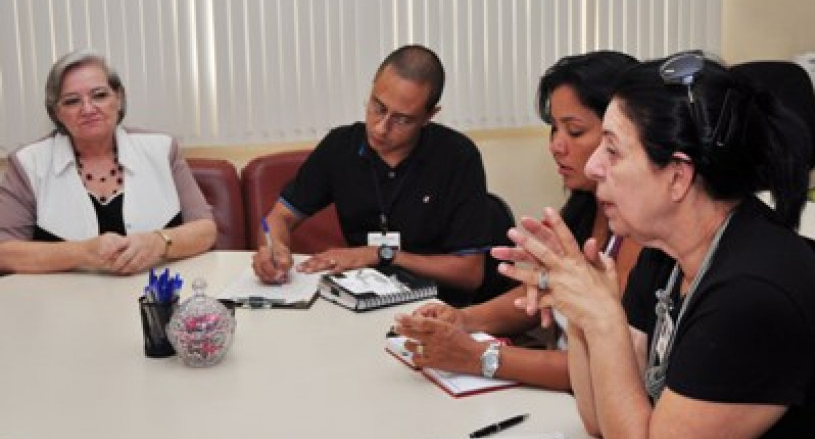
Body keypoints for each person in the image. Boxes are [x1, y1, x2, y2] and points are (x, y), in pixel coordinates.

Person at [496, 52, 815, 437]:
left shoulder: (750, 294)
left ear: (678, 176)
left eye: (613, 150)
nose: (593, 166)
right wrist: (585, 314)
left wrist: (604, 322)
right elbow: (601, 420)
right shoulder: (666, 252)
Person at [394, 51, 641, 391]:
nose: (556, 145)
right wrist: (463, 319)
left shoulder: (643, 235)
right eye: (554, 129)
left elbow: (613, 369)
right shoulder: (583, 211)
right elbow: (535, 298)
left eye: (574, 131)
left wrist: (478, 357)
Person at [252, 44, 490, 306]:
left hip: (436, 308)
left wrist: (381, 255)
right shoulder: (340, 147)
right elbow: (279, 217)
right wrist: (275, 249)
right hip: (358, 301)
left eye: (401, 120)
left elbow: (470, 273)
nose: (380, 127)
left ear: (428, 116)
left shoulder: (457, 157)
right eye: (378, 106)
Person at [0, 48, 217, 274]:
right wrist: (82, 252)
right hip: (63, 302)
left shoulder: (162, 149)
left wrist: (159, 242)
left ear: (119, 98)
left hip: (158, 296)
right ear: (57, 113)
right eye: (72, 101)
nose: (88, 109)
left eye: (100, 95)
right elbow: (3, 252)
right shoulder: (28, 163)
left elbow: (205, 230)